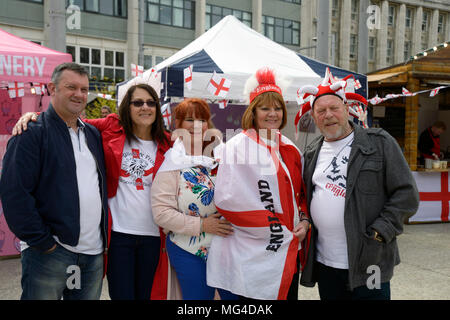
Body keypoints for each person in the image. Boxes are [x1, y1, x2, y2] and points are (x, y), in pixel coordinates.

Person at [11, 83, 172, 300]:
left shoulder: (167, 142)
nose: (145, 107)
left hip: (153, 236)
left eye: (151, 102)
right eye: (138, 102)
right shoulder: (112, 126)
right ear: (127, 106)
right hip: (119, 236)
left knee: (146, 296)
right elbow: (71, 121)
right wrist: (36, 116)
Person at [297, 72, 420, 300]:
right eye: (321, 111)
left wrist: (381, 232)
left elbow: (407, 194)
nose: (328, 115)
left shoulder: (378, 143)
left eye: (334, 108)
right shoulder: (311, 152)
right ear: (314, 117)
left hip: (370, 261)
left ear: (346, 108)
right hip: (326, 264)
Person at [0, 62, 109, 300]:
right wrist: (43, 241)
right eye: (71, 87)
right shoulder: (31, 132)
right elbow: (14, 192)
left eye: (84, 88)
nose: (79, 94)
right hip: (50, 253)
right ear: (52, 88)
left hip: (92, 256)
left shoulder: (92, 134)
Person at [206, 67, 311, 300]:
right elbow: (227, 201)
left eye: (277, 108)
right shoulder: (236, 148)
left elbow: (300, 195)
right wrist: (276, 230)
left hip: (287, 252)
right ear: (253, 112)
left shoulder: (291, 149)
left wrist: (304, 222)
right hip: (250, 254)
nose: (272, 114)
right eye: (265, 108)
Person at [151, 98, 236, 300]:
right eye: (190, 120)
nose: (197, 125)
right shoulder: (173, 162)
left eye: (202, 119)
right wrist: (202, 225)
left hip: (227, 246)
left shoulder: (223, 155)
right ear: (178, 125)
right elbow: (161, 213)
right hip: (189, 248)